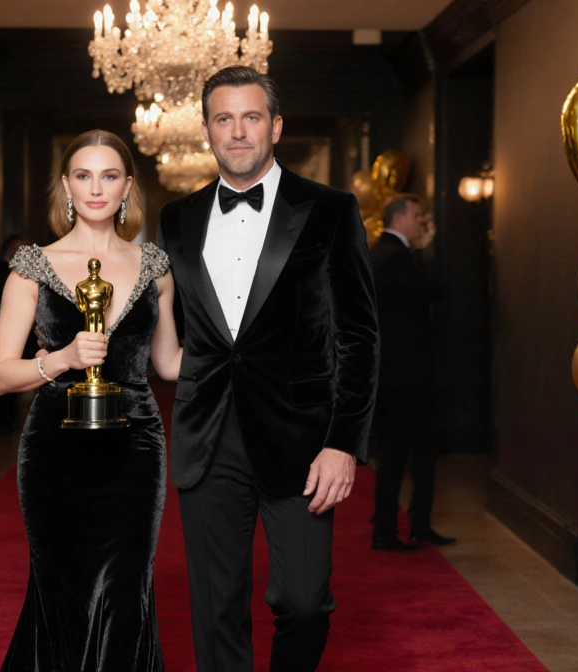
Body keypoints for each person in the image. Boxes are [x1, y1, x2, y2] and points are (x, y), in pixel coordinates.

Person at [156, 66, 379, 672]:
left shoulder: (331, 210)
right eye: (223, 119)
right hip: (207, 433)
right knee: (215, 606)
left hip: (303, 439)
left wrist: (343, 443)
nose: (237, 131)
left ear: (275, 126)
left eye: (251, 117)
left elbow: (359, 338)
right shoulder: (177, 219)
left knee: (305, 602)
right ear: (206, 131)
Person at [0, 129, 183, 671]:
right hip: (56, 449)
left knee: (126, 590)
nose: (96, 188)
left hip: (136, 448)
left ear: (127, 188)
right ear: (67, 188)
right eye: (83, 175)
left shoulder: (156, 268)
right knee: (61, 587)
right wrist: (64, 359)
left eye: (109, 175)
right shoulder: (31, 267)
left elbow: (168, 363)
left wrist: (250, 352)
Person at [369, 194, 454, 551]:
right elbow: (433, 288)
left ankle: (415, 524)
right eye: (418, 215)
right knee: (402, 456)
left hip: (393, 374)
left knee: (410, 454)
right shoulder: (396, 257)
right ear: (400, 218)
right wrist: (430, 248)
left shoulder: (378, 253)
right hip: (407, 377)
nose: (422, 222)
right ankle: (389, 530)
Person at [0, 234, 27, 432]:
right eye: (17, 249)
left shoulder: (21, 272)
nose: (21, 253)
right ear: (8, 250)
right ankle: (1, 422)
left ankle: (8, 420)